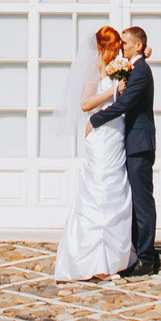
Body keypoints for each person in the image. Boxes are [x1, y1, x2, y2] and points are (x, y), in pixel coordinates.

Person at [52, 25, 134, 281]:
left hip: (116, 135)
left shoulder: (117, 66)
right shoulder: (94, 68)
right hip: (99, 137)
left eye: (118, 47)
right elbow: (85, 103)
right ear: (101, 47)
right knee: (99, 190)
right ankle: (93, 262)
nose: (116, 51)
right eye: (112, 48)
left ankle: (113, 260)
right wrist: (112, 90)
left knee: (116, 190)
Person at [88, 23, 158, 276]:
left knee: (142, 202)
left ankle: (147, 259)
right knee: (134, 201)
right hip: (128, 142)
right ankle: (144, 252)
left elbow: (125, 103)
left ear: (137, 46)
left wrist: (95, 120)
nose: (121, 48)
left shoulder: (140, 71)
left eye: (125, 44)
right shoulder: (135, 67)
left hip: (139, 144)